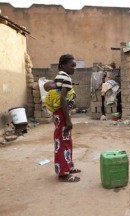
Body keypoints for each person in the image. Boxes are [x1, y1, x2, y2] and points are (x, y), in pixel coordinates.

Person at [44, 54, 80, 182]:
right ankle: (63, 173)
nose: (74, 68)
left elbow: (49, 86)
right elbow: (62, 98)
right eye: (72, 65)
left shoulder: (60, 76)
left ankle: (68, 166)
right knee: (61, 142)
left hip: (60, 114)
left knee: (66, 140)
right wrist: (68, 119)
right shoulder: (65, 78)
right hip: (62, 114)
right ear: (63, 65)